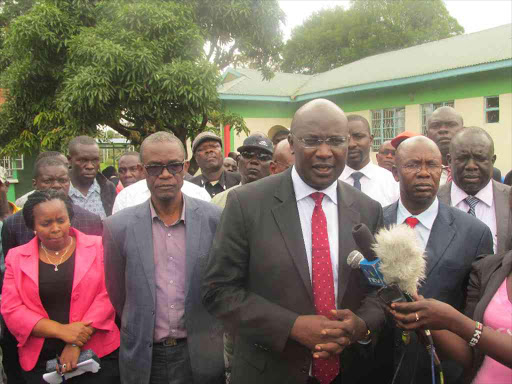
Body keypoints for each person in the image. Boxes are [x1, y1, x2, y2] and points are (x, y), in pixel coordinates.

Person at [202, 99, 386, 384]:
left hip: (349, 371)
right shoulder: (247, 203)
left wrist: (361, 325)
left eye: (336, 141)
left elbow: (380, 289)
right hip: (269, 371)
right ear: (292, 143)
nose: (324, 152)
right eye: (312, 140)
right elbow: (219, 291)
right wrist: (292, 326)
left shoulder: (368, 209)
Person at [103, 132, 224, 384]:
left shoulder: (215, 219)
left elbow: (222, 284)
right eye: (155, 168)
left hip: (200, 354)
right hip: (146, 358)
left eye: (174, 166)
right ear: (141, 170)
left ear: (186, 167)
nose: (165, 174)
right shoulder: (118, 227)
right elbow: (119, 295)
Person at [380, 136, 494, 384]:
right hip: (382, 365)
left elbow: (477, 311)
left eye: (432, 165)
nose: (424, 173)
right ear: (395, 173)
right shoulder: (375, 221)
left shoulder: (474, 233)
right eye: (413, 165)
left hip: (444, 366)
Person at [0, 156, 104, 384]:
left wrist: (75, 342)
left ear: (70, 219)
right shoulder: (16, 258)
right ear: (33, 226)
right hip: (40, 358)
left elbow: (106, 296)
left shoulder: (98, 247)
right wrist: (61, 331)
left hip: (96, 353)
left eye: (61, 220)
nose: (55, 229)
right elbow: (11, 308)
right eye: (46, 224)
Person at [390, 249, 512, 383]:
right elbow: (472, 355)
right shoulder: (490, 267)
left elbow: (465, 327)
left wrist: (453, 320)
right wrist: (424, 315)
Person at [438, 127, 511, 253]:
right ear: (449, 161)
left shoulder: (509, 198)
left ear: (492, 161)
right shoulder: (432, 200)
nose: (471, 166)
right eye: (462, 158)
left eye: (480, 158)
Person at [339, 115, 399, 207]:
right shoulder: (330, 182)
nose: (351, 144)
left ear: (371, 140)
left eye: (358, 136)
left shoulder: (392, 182)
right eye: (345, 139)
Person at [212, 135, 273, 209]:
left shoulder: (282, 201)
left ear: (272, 166)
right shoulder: (218, 201)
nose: (254, 161)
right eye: (247, 154)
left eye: (263, 156)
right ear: (238, 161)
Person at [67, 136, 117, 218]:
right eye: (83, 160)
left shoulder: (109, 188)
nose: (90, 166)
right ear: (69, 160)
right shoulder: (58, 189)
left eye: (95, 160)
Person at [189, 132, 240, 197]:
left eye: (214, 146)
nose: (209, 150)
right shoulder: (188, 188)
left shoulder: (240, 181)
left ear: (221, 152)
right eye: (203, 149)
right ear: (196, 158)